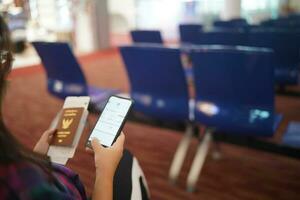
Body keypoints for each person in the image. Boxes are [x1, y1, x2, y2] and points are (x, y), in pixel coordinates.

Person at [0, 15, 149, 200]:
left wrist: (35, 157)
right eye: (4, 58)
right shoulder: (26, 186)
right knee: (125, 161)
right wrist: (105, 171)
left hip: (43, 168)